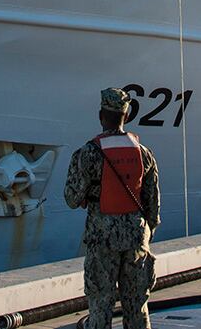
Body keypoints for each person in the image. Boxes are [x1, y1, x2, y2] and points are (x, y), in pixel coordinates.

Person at [65, 88, 160, 329]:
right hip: (137, 239)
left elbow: (71, 199)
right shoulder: (144, 153)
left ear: (101, 116)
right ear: (126, 117)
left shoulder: (88, 154)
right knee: (137, 306)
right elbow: (153, 206)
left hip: (102, 239)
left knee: (100, 305)